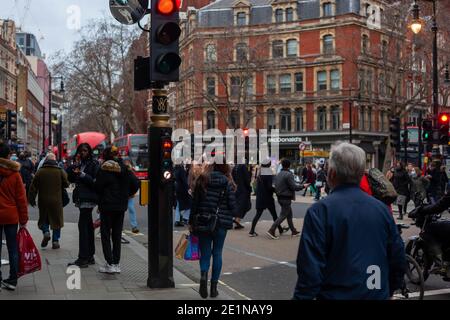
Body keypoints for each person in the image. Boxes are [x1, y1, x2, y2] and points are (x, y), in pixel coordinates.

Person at [293, 142, 406, 300]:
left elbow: (309, 271)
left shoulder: (320, 211)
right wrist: (388, 289)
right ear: (361, 174)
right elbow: (397, 258)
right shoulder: (381, 210)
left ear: (331, 173)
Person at [189, 163, 237, 299]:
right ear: (225, 169)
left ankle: (203, 279)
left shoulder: (202, 180)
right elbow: (233, 206)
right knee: (217, 253)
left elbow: (195, 203)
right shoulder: (227, 183)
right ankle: (214, 288)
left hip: (204, 221)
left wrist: (191, 221)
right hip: (221, 223)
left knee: (205, 253)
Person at [94, 147, 140, 274]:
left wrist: (101, 198)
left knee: (105, 234)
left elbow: (98, 187)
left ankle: (109, 263)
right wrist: (127, 194)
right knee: (117, 234)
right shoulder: (125, 168)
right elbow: (136, 183)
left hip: (107, 206)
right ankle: (116, 263)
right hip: (120, 206)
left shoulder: (104, 168)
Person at [0, 143, 29, 291]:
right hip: (11, 216)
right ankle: (12, 279)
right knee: (12, 248)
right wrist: (23, 220)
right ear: (8, 156)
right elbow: (21, 199)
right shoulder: (15, 174)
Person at [66, 143, 100, 268]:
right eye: (80, 151)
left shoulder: (94, 164)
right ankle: (90, 256)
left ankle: (83, 258)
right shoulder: (79, 164)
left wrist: (82, 174)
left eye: (85, 151)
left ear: (89, 152)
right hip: (81, 198)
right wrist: (74, 164)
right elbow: (69, 177)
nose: (83, 153)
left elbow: (94, 181)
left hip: (89, 198)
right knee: (88, 227)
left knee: (83, 226)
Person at [28, 153, 69, 249]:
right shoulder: (60, 171)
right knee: (57, 220)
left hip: (43, 200)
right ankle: (55, 241)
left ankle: (46, 232)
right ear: (55, 160)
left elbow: (33, 187)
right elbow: (66, 184)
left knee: (44, 219)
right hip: (56, 200)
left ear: (46, 160)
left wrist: (32, 199)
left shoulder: (40, 171)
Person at [267, 159, 303, 239]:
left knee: (289, 215)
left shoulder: (278, 174)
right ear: (289, 165)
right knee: (283, 215)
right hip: (286, 198)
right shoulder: (289, 174)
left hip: (280, 197)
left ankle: (293, 231)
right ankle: (271, 230)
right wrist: (303, 186)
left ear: (282, 165)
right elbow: (293, 187)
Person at [249, 159, 287, 237]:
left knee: (258, 214)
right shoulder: (268, 173)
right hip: (268, 197)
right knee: (274, 215)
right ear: (268, 165)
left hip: (260, 197)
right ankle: (279, 229)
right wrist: (275, 190)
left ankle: (252, 231)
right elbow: (269, 187)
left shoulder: (260, 173)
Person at [231, 164, 251, 229]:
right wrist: (249, 187)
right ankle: (237, 220)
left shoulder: (235, 167)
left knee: (239, 204)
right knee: (245, 205)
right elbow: (246, 179)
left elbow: (232, 176)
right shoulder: (243, 166)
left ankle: (237, 220)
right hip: (244, 189)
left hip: (237, 188)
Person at [123, 157, 139, 234]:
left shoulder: (132, 171)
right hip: (123, 194)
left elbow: (135, 183)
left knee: (131, 209)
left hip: (129, 195)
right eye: (125, 162)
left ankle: (134, 226)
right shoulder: (121, 170)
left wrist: (132, 193)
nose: (126, 163)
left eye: (128, 161)